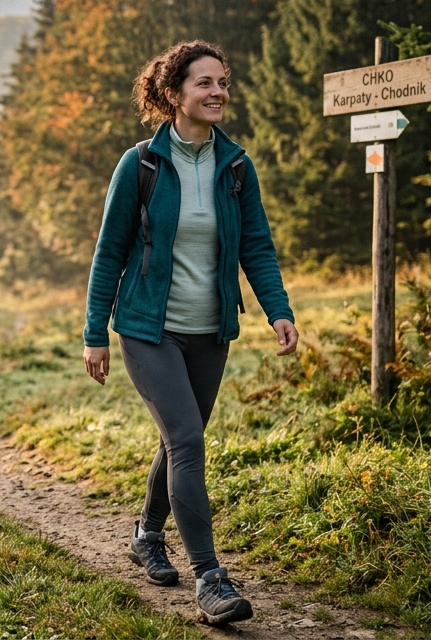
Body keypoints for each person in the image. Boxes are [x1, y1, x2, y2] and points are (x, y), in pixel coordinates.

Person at [81, 40, 298, 626]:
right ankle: (210, 579)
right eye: (205, 83)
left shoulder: (235, 166)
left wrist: (279, 309)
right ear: (174, 95)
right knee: (187, 439)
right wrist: (94, 331)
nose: (218, 92)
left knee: (180, 439)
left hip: (210, 331)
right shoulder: (142, 165)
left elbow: (256, 245)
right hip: (148, 329)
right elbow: (109, 254)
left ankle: (147, 534)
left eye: (223, 81)